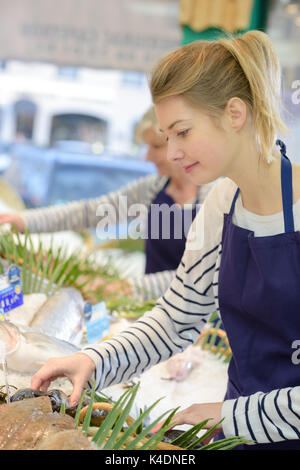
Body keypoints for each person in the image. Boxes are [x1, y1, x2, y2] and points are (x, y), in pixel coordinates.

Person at [30, 30, 300, 449]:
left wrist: (231, 416)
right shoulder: (223, 203)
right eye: (166, 136)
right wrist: (95, 360)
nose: (171, 152)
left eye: (183, 132)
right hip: (236, 437)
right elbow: (177, 319)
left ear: (234, 113)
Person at [0, 107, 212, 301]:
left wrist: (128, 287)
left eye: (156, 146)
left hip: (203, 330)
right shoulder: (153, 188)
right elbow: (90, 213)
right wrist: (24, 221)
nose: (148, 157)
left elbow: (201, 275)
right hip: (155, 314)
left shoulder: (215, 198)